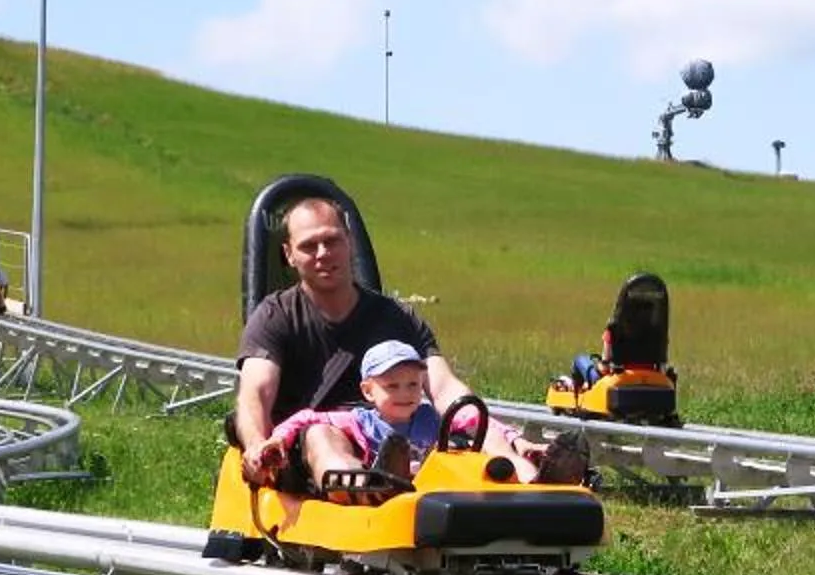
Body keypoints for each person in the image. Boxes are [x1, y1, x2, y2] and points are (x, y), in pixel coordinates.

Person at [231, 192, 588, 489]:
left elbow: (446, 388)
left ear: (349, 242)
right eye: (310, 246)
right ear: (289, 254)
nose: (323, 253)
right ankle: (365, 490)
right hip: (320, 443)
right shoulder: (275, 315)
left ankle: (530, 480)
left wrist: (512, 440)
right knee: (322, 437)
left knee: (474, 431)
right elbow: (255, 393)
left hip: (409, 439)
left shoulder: (397, 318)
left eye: (332, 240)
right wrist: (258, 446)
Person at [264, 338, 440, 500]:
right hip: (377, 503)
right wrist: (279, 438)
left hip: (427, 490)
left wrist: (466, 424)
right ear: (368, 391)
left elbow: (462, 420)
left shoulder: (431, 417)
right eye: (392, 386)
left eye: (413, 385)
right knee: (384, 461)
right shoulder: (361, 422)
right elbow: (306, 418)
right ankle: (382, 482)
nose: (405, 394)